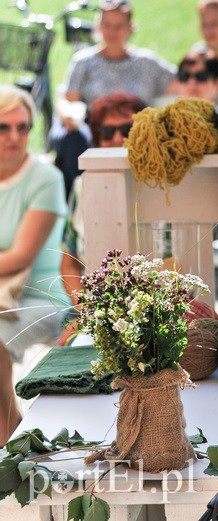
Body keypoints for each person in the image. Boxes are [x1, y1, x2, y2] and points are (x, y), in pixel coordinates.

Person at [52, 0, 177, 201]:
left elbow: (183, 85)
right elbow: (67, 98)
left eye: (119, 26)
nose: (112, 31)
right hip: (99, 137)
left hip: (137, 137)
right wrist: (67, 114)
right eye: (107, 25)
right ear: (99, 27)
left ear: (130, 28)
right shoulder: (84, 61)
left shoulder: (147, 62)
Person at [0, 86, 69, 445]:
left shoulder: (45, 179)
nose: (15, 137)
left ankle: (10, 440)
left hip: (42, 298)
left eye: (23, 127)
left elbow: (20, 256)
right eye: (4, 127)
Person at [59, 91, 147, 346]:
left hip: (151, 310)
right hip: (92, 307)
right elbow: (69, 263)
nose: (118, 139)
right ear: (97, 139)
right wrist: (87, 309)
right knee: (61, 355)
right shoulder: (80, 186)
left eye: (128, 129)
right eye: (107, 133)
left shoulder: (162, 187)